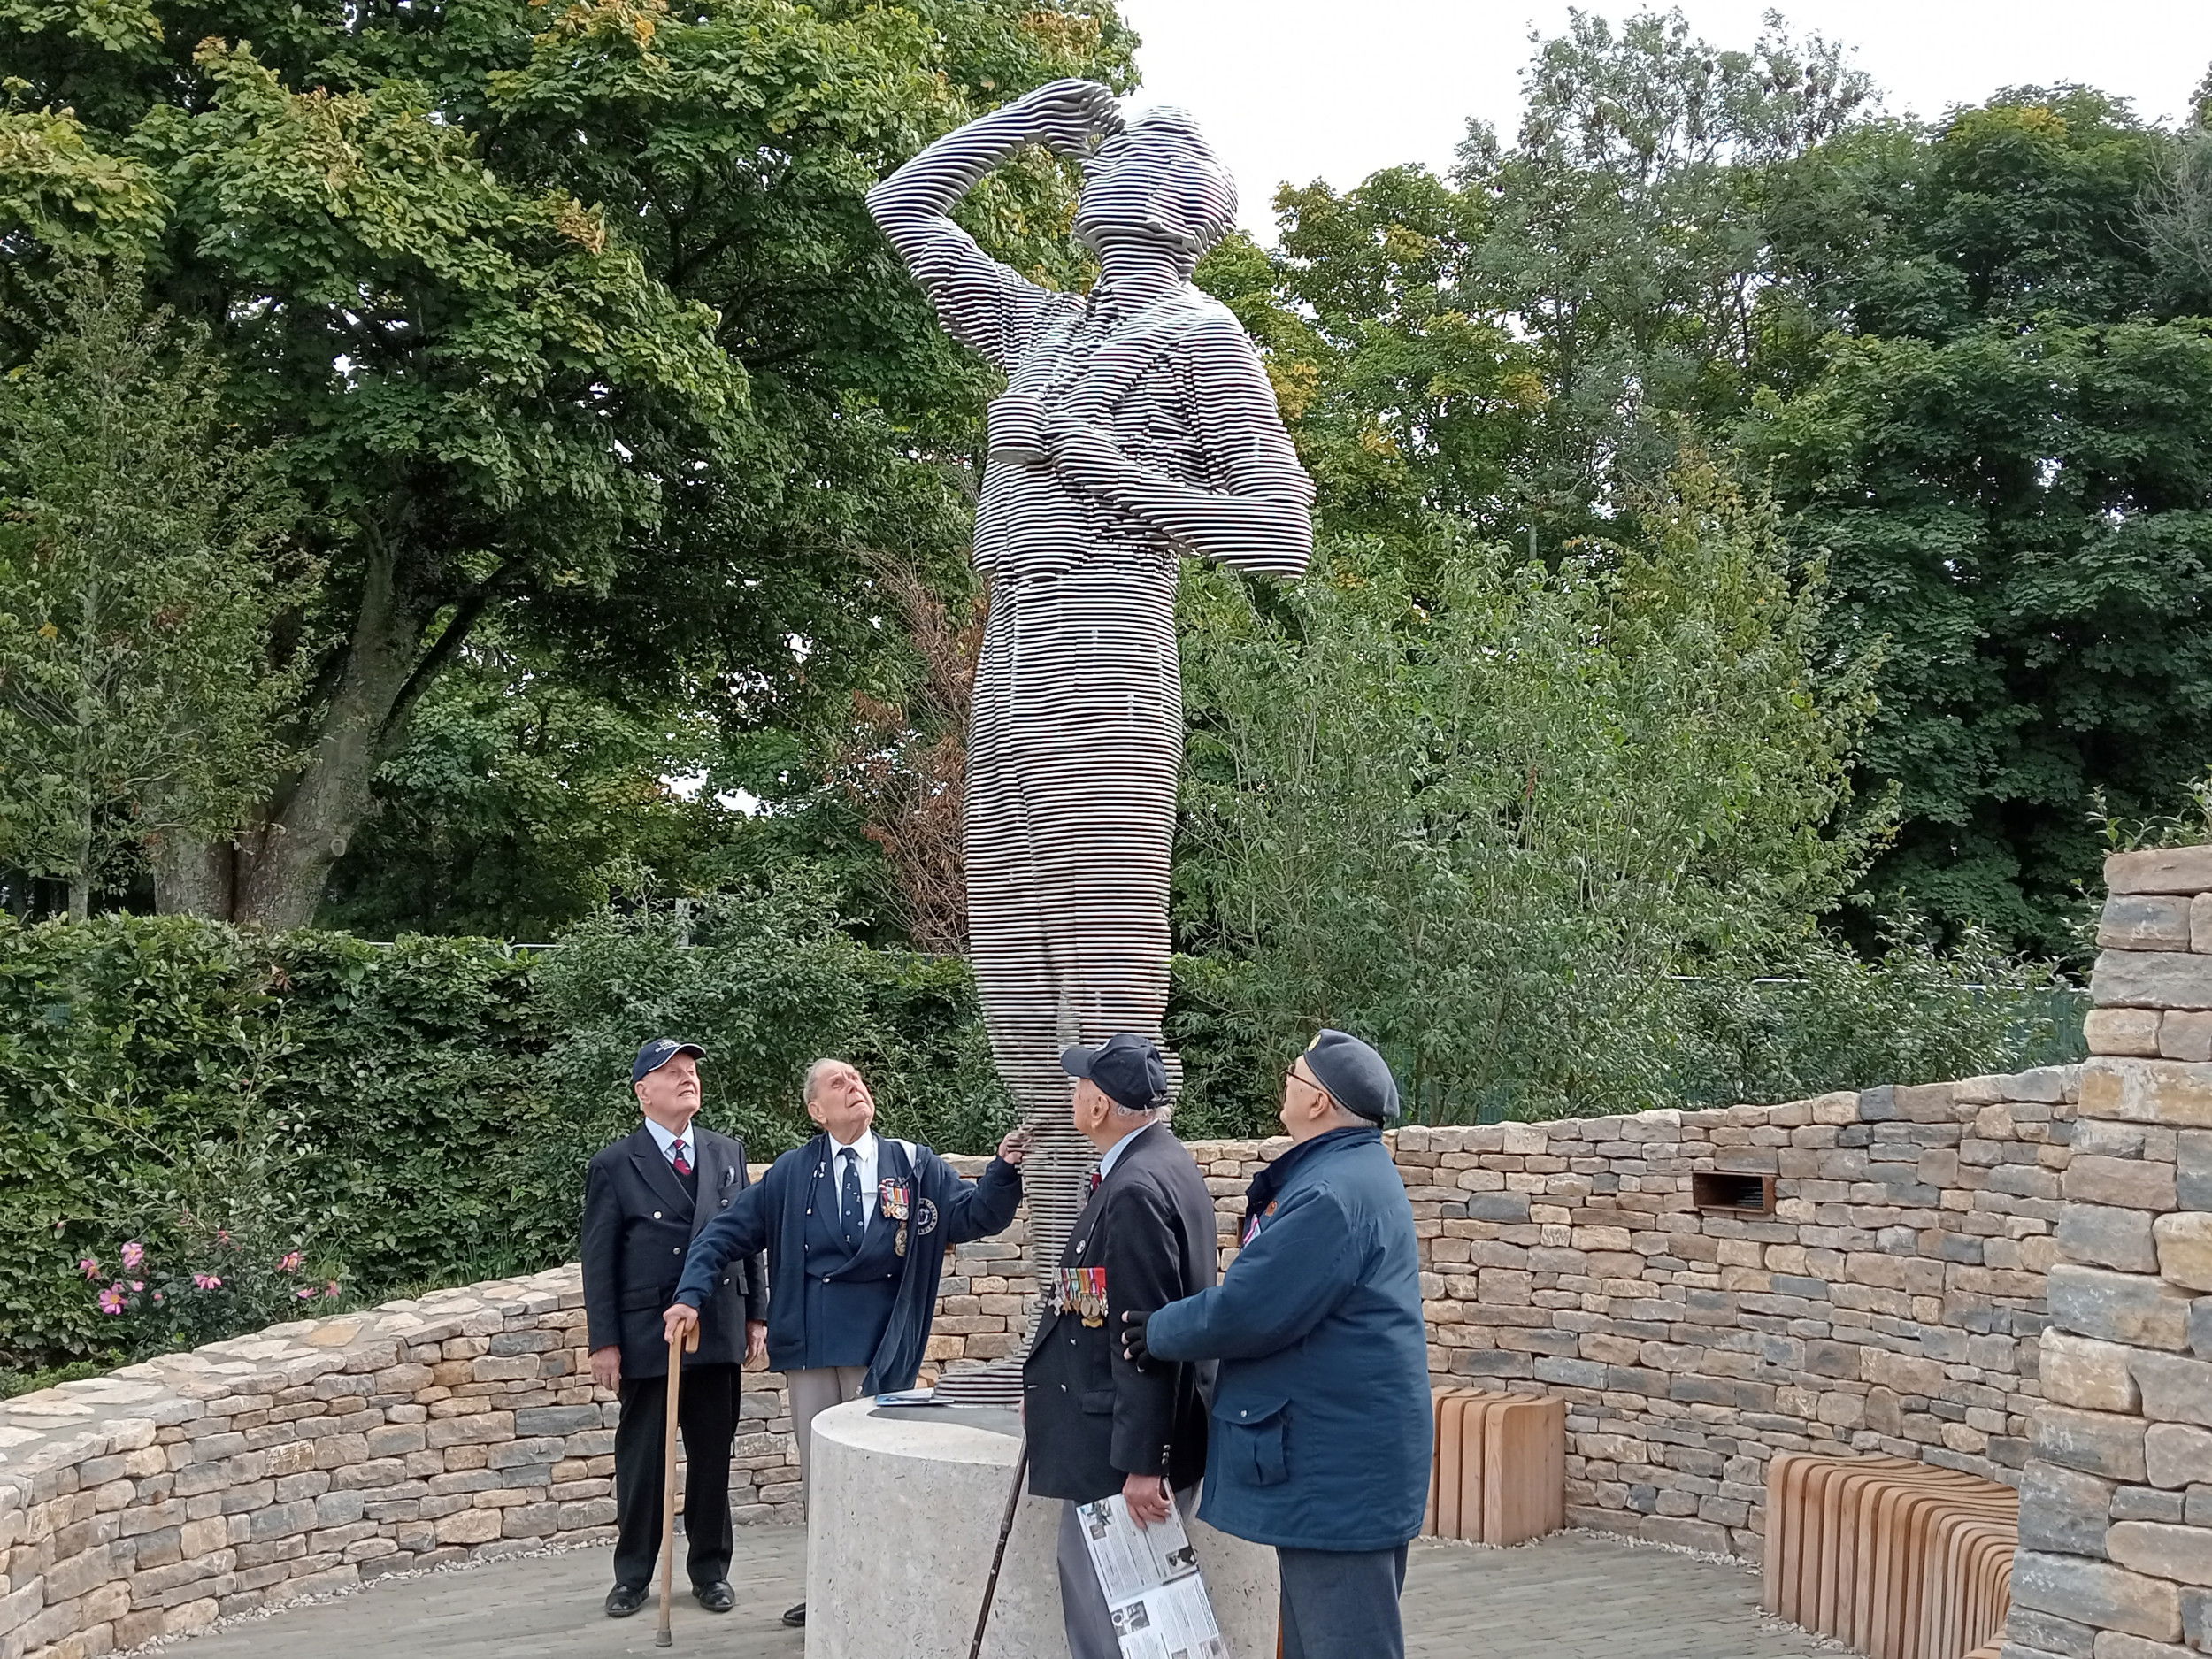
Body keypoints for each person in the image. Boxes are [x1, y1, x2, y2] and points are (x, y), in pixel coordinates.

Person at [664, 1057, 1030, 1628]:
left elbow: (973, 1216)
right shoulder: (791, 1173)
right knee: (824, 1476)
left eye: (857, 1079)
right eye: (839, 1083)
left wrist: (1003, 1170)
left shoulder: (912, 1164)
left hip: (883, 1344)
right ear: (817, 1110)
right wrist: (689, 1296)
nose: (854, 1086)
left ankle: (886, 1597)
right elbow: (723, 1234)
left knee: (885, 1472)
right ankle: (831, 1593)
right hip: (811, 1343)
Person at [1122, 1031, 1430, 1659]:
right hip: (1345, 1461)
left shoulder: (1330, 1195)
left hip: (1336, 1475)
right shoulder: (1349, 1173)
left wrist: (1157, 1331)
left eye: (1294, 1074)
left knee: (1345, 1644)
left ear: (1319, 1101)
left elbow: (1251, 1310)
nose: (1284, 1083)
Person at [1023, 1033, 1217, 1659]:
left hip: (1118, 1453)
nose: (1074, 1094)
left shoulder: (1134, 1188)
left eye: (1080, 1084)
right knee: (1142, 1625)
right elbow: (1097, 1302)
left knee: (1117, 1627)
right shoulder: (1159, 1162)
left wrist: (1143, 1462)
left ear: (1101, 1104)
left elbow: (1143, 1332)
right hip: (1113, 1434)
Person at [580, 1038, 769, 1619]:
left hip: (717, 1323)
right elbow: (599, 1259)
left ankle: (711, 1571)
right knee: (644, 1462)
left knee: (713, 1457)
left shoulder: (726, 1151)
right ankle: (633, 1575)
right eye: (673, 1072)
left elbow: (748, 1236)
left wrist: (757, 1313)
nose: (688, 1078)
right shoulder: (616, 1163)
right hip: (649, 1333)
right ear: (644, 1091)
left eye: (691, 1070)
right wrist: (604, 1341)